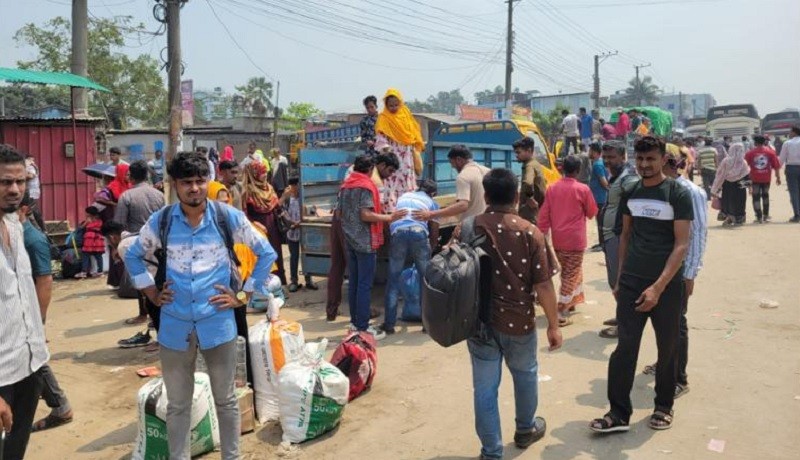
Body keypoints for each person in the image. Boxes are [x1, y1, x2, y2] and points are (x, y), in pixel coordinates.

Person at [125, 151, 277, 460]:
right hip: (174, 325)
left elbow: (267, 253)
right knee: (178, 404)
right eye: (186, 183)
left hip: (218, 323)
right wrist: (152, 293)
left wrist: (243, 296)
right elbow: (131, 255)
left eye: (199, 181)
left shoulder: (227, 218)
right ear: (174, 185)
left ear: (207, 182)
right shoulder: (162, 221)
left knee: (227, 400)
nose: (194, 188)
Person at [590, 136, 693, 434]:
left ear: (663, 159)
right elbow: (625, 236)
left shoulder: (677, 193)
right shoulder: (631, 191)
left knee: (667, 346)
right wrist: (621, 278)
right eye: (640, 159)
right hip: (632, 282)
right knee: (625, 347)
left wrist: (659, 287)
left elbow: (681, 244)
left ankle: (663, 406)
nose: (645, 165)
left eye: (651, 159)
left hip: (667, 285)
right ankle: (618, 413)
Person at [465, 168, 562, 460]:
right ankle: (525, 429)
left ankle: (492, 453)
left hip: (479, 322)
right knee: (525, 375)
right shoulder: (530, 232)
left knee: (484, 389)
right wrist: (554, 326)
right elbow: (544, 284)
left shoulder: (469, 227)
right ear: (517, 197)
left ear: (485, 195)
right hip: (519, 322)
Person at [641, 150, 708, 399]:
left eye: (652, 161)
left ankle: (679, 376)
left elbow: (698, 235)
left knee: (677, 323)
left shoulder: (690, 192)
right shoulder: (662, 190)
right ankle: (666, 364)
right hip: (661, 266)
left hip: (680, 269)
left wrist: (690, 273)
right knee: (663, 323)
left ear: (666, 164)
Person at [0, 144, 49, 460]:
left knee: (14, 451)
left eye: (20, 181)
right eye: (5, 182)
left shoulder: (16, 226)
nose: (15, 189)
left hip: (29, 364)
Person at [17, 195, 74, 433]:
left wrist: (39, 320)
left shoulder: (32, 239)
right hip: (14, 310)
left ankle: (60, 405)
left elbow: (45, 280)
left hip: (26, 313)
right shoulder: (15, 234)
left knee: (33, 357)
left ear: (24, 209)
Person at [326, 153, 399, 322]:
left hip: (349, 239)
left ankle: (353, 320)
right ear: (372, 168)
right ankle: (362, 324)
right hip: (365, 242)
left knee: (354, 282)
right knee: (364, 284)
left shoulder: (346, 185)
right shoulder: (366, 186)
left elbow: (339, 212)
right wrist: (389, 218)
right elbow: (366, 214)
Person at [537, 156, 598, 326]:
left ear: (562, 169)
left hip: (558, 240)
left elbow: (544, 215)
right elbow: (592, 212)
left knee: (569, 271)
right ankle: (560, 308)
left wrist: (541, 235)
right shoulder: (583, 189)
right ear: (578, 171)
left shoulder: (552, 188)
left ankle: (572, 301)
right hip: (576, 240)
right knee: (571, 274)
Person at [381, 179, 440, 335]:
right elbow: (434, 229)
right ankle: (426, 325)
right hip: (418, 233)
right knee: (424, 281)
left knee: (393, 280)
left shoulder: (404, 196)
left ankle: (389, 325)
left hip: (398, 233)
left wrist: (391, 243)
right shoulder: (431, 202)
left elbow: (391, 219)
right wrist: (431, 249)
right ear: (432, 194)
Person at [597, 142, 639, 339]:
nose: (607, 161)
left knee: (620, 282)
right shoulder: (617, 176)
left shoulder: (628, 178)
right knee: (614, 280)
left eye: (611, 157)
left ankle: (625, 325)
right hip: (609, 236)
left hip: (618, 236)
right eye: (605, 157)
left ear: (622, 156)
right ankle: (621, 315)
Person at [374, 88, 425, 212]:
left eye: (396, 104)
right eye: (390, 105)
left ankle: (408, 207)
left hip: (407, 157)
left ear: (400, 103)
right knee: (391, 181)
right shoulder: (383, 117)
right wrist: (386, 148)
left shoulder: (406, 115)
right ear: (386, 105)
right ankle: (392, 210)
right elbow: (380, 137)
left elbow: (414, 132)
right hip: (393, 155)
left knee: (406, 182)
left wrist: (415, 145)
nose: (393, 107)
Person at [413, 145, 490, 224]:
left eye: (451, 163)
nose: (452, 167)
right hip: (487, 224)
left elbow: (463, 205)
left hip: (472, 226)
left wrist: (431, 214)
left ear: (458, 159)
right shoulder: (487, 171)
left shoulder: (463, 176)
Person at [242, 160, 287, 285]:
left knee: (275, 253)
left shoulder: (269, 187)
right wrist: (253, 224)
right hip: (258, 229)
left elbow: (276, 206)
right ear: (254, 174)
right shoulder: (248, 190)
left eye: (265, 172)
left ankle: (279, 284)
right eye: (262, 173)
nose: (265, 175)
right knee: (262, 256)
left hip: (273, 226)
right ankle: (263, 285)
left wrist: (283, 197)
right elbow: (244, 214)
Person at [279, 177, 317, 293]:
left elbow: (311, 212)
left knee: (306, 256)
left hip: (304, 231)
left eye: (295, 185)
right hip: (292, 232)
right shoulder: (287, 199)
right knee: (294, 257)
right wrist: (292, 224)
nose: (293, 188)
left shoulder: (304, 198)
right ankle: (294, 281)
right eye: (291, 186)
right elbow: (281, 211)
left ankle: (308, 280)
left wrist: (300, 222)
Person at [114, 160, 165, 234]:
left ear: (131, 178)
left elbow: (119, 223)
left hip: (133, 240)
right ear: (146, 177)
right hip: (156, 239)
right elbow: (163, 221)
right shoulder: (159, 195)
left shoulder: (126, 196)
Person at [745, 135, 782, 223]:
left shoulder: (750, 153)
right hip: (766, 178)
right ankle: (766, 215)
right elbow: (776, 166)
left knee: (756, 197)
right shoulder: (770, 152)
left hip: (755, 178)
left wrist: (746, 180)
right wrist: (778, 177)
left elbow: (745, 166)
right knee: (765, 196)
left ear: (755, 143)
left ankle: (758, 217)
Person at [711, 142, 750, 226]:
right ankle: (739, 219)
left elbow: (720, 175)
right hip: (740, 186)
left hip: (728, 185)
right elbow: (746, 176)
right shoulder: (743, 162)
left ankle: (729, 218)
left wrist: (715, 188)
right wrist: (749, 188)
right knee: (740, 201)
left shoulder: (726, 161)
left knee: (728, 201)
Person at [512, 137, 547, 224]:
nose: (516, 155)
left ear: (529, 151)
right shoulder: (536, 164)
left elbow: (528, 182)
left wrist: (529, 198)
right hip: (537, 208)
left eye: (519, 152)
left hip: (528, 210)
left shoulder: (529, 166)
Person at [589, 143, 610, 250]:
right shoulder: (601, 163)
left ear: (594, 151)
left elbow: (604, 181)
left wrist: (609, 190)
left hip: (600, 198)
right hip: (600, 197)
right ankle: (601, 243)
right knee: (601, 221)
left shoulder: (597, 165)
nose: (589, 152)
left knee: (601, 222)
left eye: (590, 150)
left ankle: (602, 244)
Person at [75, 206, 106, 279]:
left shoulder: (88, 220)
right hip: (98, 239)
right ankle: (100, 272)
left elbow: (80, 228)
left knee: (85, 255)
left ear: (89, 213)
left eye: (86, 212)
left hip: (89, 239)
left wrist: (85, 223)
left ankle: (84, 272)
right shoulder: (100, 220)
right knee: (98, 256)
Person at [779, 126, 800, 222]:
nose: (789, 133)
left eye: (790, 132)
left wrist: (777, 169)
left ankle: (797, 214)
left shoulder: (787, 143)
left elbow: (782, 158)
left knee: (794, 192)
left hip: (791, 168)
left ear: (794, 132)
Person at [24, 154, 46, 231]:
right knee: (32, 211)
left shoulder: (30, 167)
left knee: (32, 211)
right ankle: (41, 229)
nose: (32, 162)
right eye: (31, 160)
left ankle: (41, 230)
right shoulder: (28, 167)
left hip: (31, 192)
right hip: (30, 192)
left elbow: (30, 176)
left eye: (33, 160)